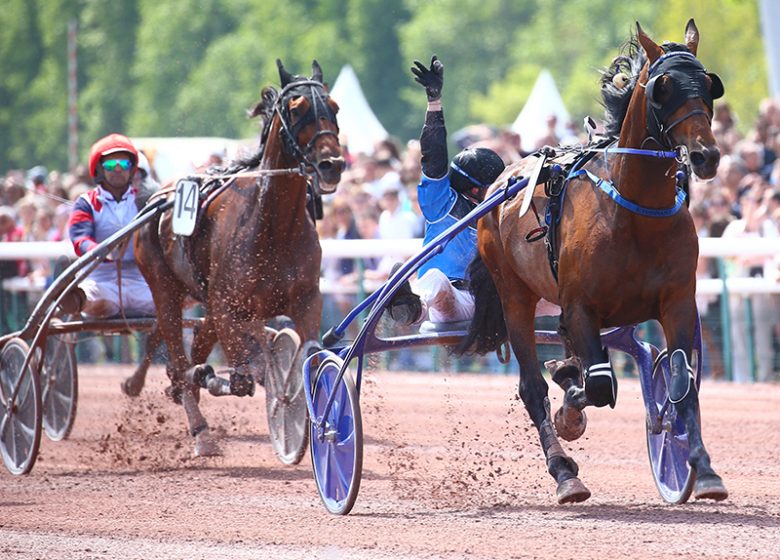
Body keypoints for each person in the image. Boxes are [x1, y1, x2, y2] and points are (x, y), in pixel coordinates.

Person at [386, 55, 505, 326]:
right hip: (450, 301)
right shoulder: (443, 204)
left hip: (492, 302)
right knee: (435, 281)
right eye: (492, 184)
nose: (499, 188)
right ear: (474, 189)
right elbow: (433, 158)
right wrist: (434, 102)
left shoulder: (503, 211)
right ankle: (411, 308)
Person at [58, 133, 156, 318]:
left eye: (124, 164)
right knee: (97, 297)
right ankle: (71, 298)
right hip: (100, 279)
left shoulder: (145, 200)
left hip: (141, 280)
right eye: (111, 165)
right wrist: (101, 251)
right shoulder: (86, 202)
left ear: (132, 168)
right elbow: (80, 239)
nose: (118, 169)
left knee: (169, 297)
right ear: (99, 169)